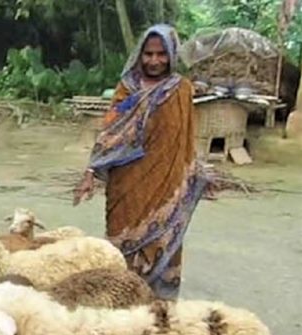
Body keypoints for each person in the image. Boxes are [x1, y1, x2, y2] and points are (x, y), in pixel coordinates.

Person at [73, 24, 208, 300]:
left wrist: (195, 175)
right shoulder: (127, 89)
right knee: (122, 252)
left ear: (171, 55)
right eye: (148, 54)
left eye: (161, 54)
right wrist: (90, 171)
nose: (154, 60)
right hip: (126, 188)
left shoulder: (181, 91)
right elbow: (110, 132)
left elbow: (186, 140)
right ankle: (123, 311)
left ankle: (160, 316)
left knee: (163, 248)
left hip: (167, 190)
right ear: (139, 54)